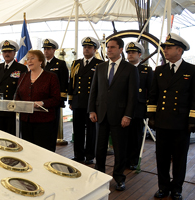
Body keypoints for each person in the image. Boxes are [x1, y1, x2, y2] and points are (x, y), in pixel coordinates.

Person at [147, 33, 195, 200]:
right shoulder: (160, 70)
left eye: (168, 47)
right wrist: (151, 116)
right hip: (162, 122)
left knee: (179, 159)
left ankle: (177, 188)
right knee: (162, 158)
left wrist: (193, 121)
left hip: (181, 124)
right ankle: (163, 187)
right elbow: (153, 95)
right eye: (164, 47)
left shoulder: (193, 70)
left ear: (179, 50)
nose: (165, 50)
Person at [88, 37, 139, 191]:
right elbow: (94, 91)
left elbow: (133, 95)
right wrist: (91, 110)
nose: (109, 50)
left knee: (120, 149)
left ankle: (119, 178)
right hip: (101, 114)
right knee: (100, 148)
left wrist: (128, 115)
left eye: (112, 47)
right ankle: (100, 176)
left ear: (120, 49)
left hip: (120, 116)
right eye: (107, 47)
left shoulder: (130, 69)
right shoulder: (101, 67)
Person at [68, 36, 104, 164]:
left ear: (95, 49)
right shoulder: (76, 63)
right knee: (77, 130)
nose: (86, 49)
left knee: (91, 131)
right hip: (78, 101)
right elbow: (72, 82)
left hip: (91, 103)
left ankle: (89, 156)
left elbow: (101, 86)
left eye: (89, 47)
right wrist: (71, 99)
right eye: (85, 47)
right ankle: (78, 155)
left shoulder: (100, 64)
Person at [15, 50, 60, 152]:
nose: (29, 61)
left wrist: (42, 103)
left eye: (32, 58)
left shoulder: (51, 77)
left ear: (41, 61)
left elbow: (56, 99)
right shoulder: (23, 77)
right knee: (28, 151)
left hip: (44, 122)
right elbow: (18, 96)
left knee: (43, 151)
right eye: (28, 59)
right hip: (25, 121)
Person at [0, 40, 28, 135]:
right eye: (4, 52)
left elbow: (23, 89)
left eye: (9, 51)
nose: (7, 54)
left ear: (14, 53)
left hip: (13, 107)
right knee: (1, 134)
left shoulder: (21, 68)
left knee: (13, 134)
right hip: (0, 107)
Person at [125, 42, 153, 170]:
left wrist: (149, 109)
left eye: (133, 52)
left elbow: (151, 90)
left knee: (136, 135)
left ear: (140, 54)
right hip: (123, 107)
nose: (130, 54)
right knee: (122, 135)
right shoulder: (122, 69)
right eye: (128, 52)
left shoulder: (146, 71)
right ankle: (123, 159)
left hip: (138, 108)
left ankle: (133, 160)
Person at [42, 38, 69, 144]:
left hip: (54, 100)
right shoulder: (41, 64)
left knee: (53, 125)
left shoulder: (60, 64)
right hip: (42, 100)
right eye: (44, 49)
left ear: (54, 50)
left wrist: (62, 99)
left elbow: (63, 82)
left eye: (48, 49)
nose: (46, 51)